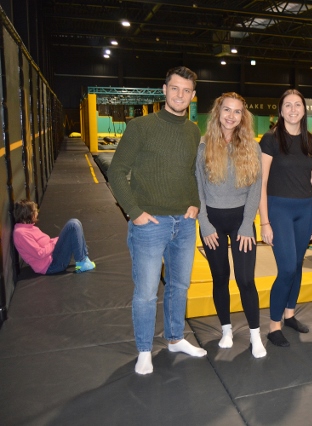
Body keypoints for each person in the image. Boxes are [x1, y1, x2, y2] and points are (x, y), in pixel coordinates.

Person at [108, 66, 207, 375]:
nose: (180, 95)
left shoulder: (193, 131)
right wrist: (134, 212)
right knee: (147, 292)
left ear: (193, 95)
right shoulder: (141, 126)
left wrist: (195, 203)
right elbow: (116, 171)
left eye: (186, 90)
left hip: (184, 223)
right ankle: (143, 349)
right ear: (164, 90)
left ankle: (175, 338)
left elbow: (191, 173)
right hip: (150, 224)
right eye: (175, 88)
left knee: (179, 286)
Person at [196, 92, 266, 359]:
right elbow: (198, 187)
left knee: (246, 279)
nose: (231, 116)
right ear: (218, 112)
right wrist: (204, 223)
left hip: (241, 221)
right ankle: (226, 329)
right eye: (227, 110)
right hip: (212, 221)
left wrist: (248, 224)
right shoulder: (203, 147)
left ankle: (255, 335)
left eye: (237, 111)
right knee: (220, 277)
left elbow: (255, 188)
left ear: (243, 116)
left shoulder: (252, 147)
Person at [259, 89, 312, 348]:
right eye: (288, 105)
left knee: (296, 265)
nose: (293, 109)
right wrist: (264, 221)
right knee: (286, 268)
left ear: (304, 110)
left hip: (305, 209)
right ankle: (274, 325)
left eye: (298, 105)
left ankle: (290, 314)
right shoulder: (271, 139)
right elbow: (261, 183)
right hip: (279, 209)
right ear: (281, 110)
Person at [12, 200, 95, 274]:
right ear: (29, 214)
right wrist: (55, 242)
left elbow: (46, 244)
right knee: (73, 225)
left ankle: (83, 258)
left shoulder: (29, 228)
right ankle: (81, 262)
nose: (37, 212)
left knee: (75, 222)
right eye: (35, 211)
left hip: (53, 255)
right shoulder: (21, 234)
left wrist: (55, 241)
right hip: (51, 265)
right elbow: (39, 253)